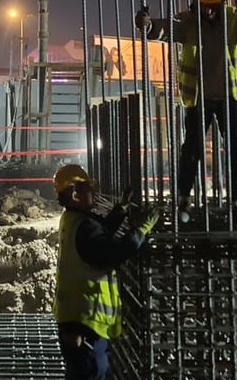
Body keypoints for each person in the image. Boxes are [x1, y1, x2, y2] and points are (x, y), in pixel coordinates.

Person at [135, 0, 237, 221]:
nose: (211, 11)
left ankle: (236, 202)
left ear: (222, 1)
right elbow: (165, 29)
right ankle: (183, 201)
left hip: (230, 97)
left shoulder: (233, 18)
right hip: (198, 98)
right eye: (206, 6)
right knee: (191, 150)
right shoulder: (189, 22)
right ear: (198, 3)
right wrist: (147, 25)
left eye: (214, 6)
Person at [53, 163, 161, 380]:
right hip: (87, 326)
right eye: (87, 188)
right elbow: (113, 252)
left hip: (76, 324)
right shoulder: (83, 227)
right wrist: (141, 231)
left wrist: (121, 209)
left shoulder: (73, 220)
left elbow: (100, 231)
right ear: (75, 194)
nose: (93, 191)